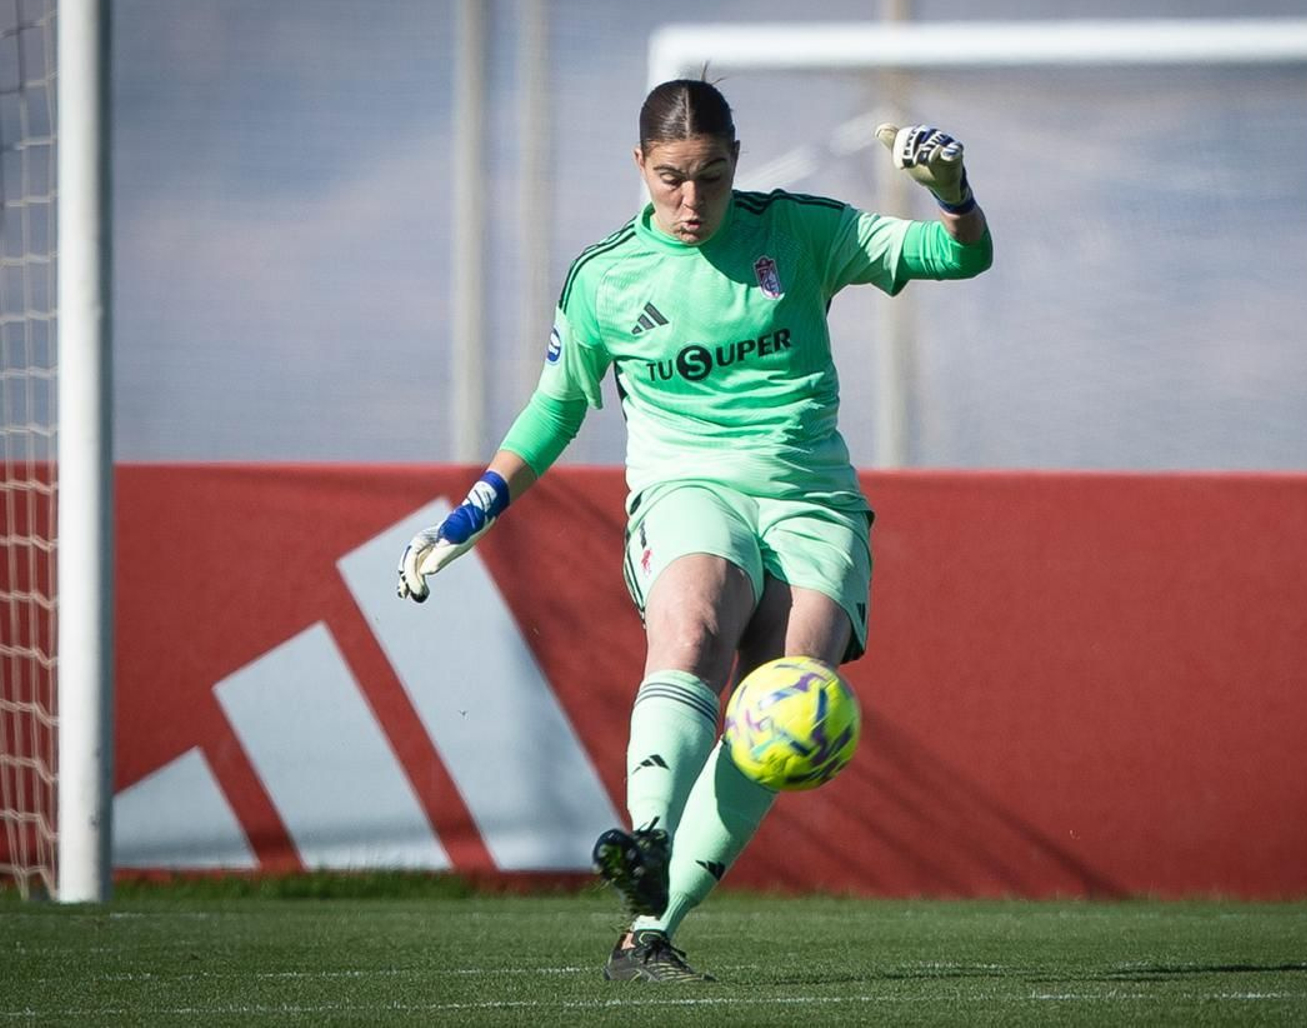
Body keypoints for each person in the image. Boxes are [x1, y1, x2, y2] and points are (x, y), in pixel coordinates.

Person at [397, 78, 992, 982]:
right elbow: (557, 407)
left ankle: (648, 931)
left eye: (711, 176)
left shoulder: (800, 231)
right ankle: (647, 837)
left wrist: (953, 192)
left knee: (780, 710)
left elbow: (963, 259)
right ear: (639, 165)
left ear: (736, 164)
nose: (690, 199)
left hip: (812, 499)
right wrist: (476, 506)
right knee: (696, 626)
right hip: (686, 487)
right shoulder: (605, 279)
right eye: (671, 176)